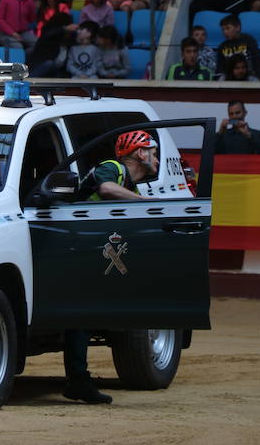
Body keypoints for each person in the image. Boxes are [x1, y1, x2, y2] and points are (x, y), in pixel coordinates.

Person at [68, 129, 162, 405]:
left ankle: (78, 379)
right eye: (153, 152)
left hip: (91, 251)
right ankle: (78, 381)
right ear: (140, 153)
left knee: (83, 318)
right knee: (80, 317)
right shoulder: (113, 168)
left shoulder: (130, 186)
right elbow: (106, 189)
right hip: (75, 249)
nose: (157, 159)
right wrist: (145, 203)